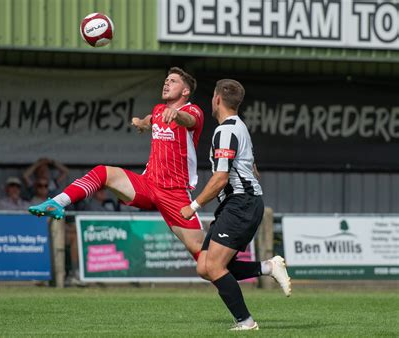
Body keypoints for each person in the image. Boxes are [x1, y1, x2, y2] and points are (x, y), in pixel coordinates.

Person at [29, 67, 207, 259]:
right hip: (148, 184)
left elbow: (190, 120)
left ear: (185, 91)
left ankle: (231, 273)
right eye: (166, 80)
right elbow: (151, 120)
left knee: (204, 260)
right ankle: (57, 203)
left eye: (173, 81)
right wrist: (140, 122)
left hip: (174, 192)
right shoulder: (159, 110)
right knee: (103, 172)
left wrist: (177, 115)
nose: (166, 83)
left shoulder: (192, 110)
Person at [180, 79, 292, 331]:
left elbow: (220, 179)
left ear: (217, 99)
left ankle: (246, 321)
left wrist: (193, 206)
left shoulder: (227, 131)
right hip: (238, 203)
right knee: (204, 267)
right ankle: (268, 266)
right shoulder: (237, 127)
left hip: (241, 204)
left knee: (214, 266)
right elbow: (248, 165)